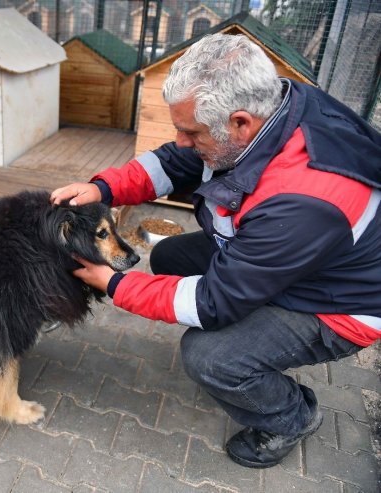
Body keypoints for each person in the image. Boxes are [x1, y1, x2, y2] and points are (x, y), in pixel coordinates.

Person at [51, 33, 381, 469]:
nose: (181, 140)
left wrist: (115, 284)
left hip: (338, 303)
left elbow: (212, 304)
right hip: (290, 261)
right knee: (168, 259)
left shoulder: (303, 200)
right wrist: (102, 187)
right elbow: (174, 161)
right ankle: (250, 340)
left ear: (240, 123)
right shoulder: (275, 112)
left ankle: (290, 416)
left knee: (207, 355)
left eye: (190, 132)